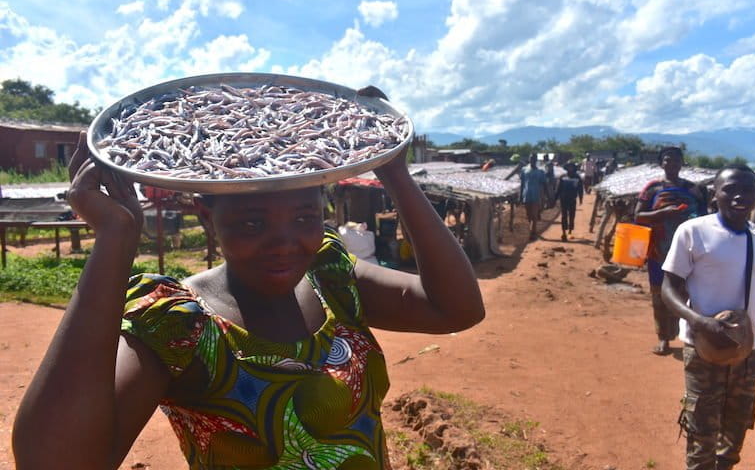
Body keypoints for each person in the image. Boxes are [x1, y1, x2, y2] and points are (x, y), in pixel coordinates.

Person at [12, 87, 485, 470]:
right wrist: (115, 237)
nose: (284, 243)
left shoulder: (332, 276)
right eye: (253, 224)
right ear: (205, 213)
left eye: (304, 217)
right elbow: (54, 460)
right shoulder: (180, 324)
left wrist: (395, 172)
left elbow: (457, 309)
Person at [661, 164, 755, 470]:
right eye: (730, 189)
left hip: (748, 353)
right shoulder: (694, 232)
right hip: (704, 349)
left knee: (736, 430)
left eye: (747, 189)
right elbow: (670, 288)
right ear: (714, 195)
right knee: (702, 432)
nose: (739, 196)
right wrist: (700, 321)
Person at [635, 147, 707, 356]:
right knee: (659, 295)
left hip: (689, 251)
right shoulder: (652, 188)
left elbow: (705, 219)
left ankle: (689, 337)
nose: (672, 164)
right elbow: (638, 216)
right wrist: (663, 213)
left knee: (687, 294)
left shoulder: (695, 190)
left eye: (677, 160)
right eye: (668, 160)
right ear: (661, 164)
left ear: (682, 163)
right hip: (659, 251)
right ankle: (663, 338)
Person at [518, 153, 548, 241]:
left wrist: (546, 196)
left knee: (534, 215)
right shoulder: (524, 170)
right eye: (531, 158)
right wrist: (520, 196)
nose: (532, 160)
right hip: (526, 194)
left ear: (536, 160)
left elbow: (544, 184)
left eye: (534, 159)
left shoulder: (540, 172)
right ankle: (532, 230)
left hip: (536, 194)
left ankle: (533, 233)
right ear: (529, 159)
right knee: (528, 215)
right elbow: (522, 184)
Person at [554, 162, 584, 241]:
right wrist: (555, 198)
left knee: (572, 215)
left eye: (572, 167)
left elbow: (580, 189)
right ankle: (563, 232)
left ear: (574, 168)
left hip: (572, 199)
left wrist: (581, 198)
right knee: (564, 216)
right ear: (566, 168)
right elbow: (559, 188)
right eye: (569, 167)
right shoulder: (563, 177)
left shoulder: (577, 177)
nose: (570, 169)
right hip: (563, 199)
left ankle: (570, 230)